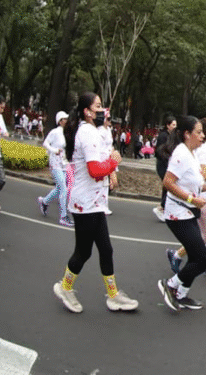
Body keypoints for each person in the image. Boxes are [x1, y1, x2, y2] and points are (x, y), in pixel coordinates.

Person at [53, 92, 138, 313]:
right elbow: (94, 170)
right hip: (85, 203)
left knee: (106, 250)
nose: (102, 110)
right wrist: (113, 162)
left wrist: (110, 165)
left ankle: (113, 295)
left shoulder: (93, 131)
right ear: (87, 112)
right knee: (83, 251)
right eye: (98, 106)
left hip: (95, 202)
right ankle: (64, 287)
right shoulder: (87, 133)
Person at [157, 115, 206, 311]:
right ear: (186, 134)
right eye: (198, 132)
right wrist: (192, 199)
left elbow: (191, 180)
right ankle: (172, 285)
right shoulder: (181, 154)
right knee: (203, 260)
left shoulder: (190, 153)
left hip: (188, 212)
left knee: (195, 257)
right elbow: (168, 182)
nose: (202, 136)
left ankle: (181, 294)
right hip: (177, 214)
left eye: (202, 132)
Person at [167, 117, 206, 279]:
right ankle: (203, 266)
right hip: (194, 203)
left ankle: (182, 271)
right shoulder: (197, 151)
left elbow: (198, 177)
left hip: (201, 199)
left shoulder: (198, 151)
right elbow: (202, 174)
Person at [38, 111, 73, 227]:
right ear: (59, 121)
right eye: (64, 119)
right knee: (63, 187)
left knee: (60, 188)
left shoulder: (63, 133)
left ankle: (44, 202)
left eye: (66, 119)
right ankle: (63, 216)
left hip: (62, 163)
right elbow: (45, 143)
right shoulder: (55, 132)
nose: (66, 121)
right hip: (55, 163)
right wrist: (54, 150)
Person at [153, 115, 177, 222]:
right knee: (169, 186)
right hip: (163, 165)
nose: (175, 127)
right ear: (167, 125)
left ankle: (165, 209)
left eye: (176, 125)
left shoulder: (170, 135)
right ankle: (161, 208)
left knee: (167, 187)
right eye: (173, 125)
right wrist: (169, 159)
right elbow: (160, 151)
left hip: (168, 164)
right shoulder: (163, 136)